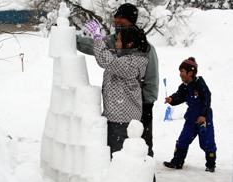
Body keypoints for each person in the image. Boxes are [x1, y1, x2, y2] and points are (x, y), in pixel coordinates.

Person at [77, 3, 159, 158]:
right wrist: (71, 38)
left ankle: (144, 177)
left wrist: (147, 102)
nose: (117, 25)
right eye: (116, 21)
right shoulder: (116, 41)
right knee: (122, 145)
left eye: (121, 21)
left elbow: (151, 78)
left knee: (139, 143)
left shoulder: (142, 50)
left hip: (136, 106)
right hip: (118, 110)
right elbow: (94, 47)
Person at [85, 19, 148, 158]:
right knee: (121, 156)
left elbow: (107, 61)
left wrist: (97, 38)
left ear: (129, 44)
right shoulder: (124, 57)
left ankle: (136, 179)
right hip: (117, 119)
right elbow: (107, 58)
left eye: (118, 40)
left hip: (123, 121)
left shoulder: (132, 63)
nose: (116, 43)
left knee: (120, 158)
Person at [163, 57, 217, 172]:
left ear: (190, 73)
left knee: (207, 141)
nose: (180, 74)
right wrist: (171, 99)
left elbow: (207, 98)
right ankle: (177, 162)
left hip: (204, 117)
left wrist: (203, 115)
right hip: (191, 118)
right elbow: (179, 96)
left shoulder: (200, 83)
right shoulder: (184, 87)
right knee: (183, 139)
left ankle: (211, 164)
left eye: (182, 71)